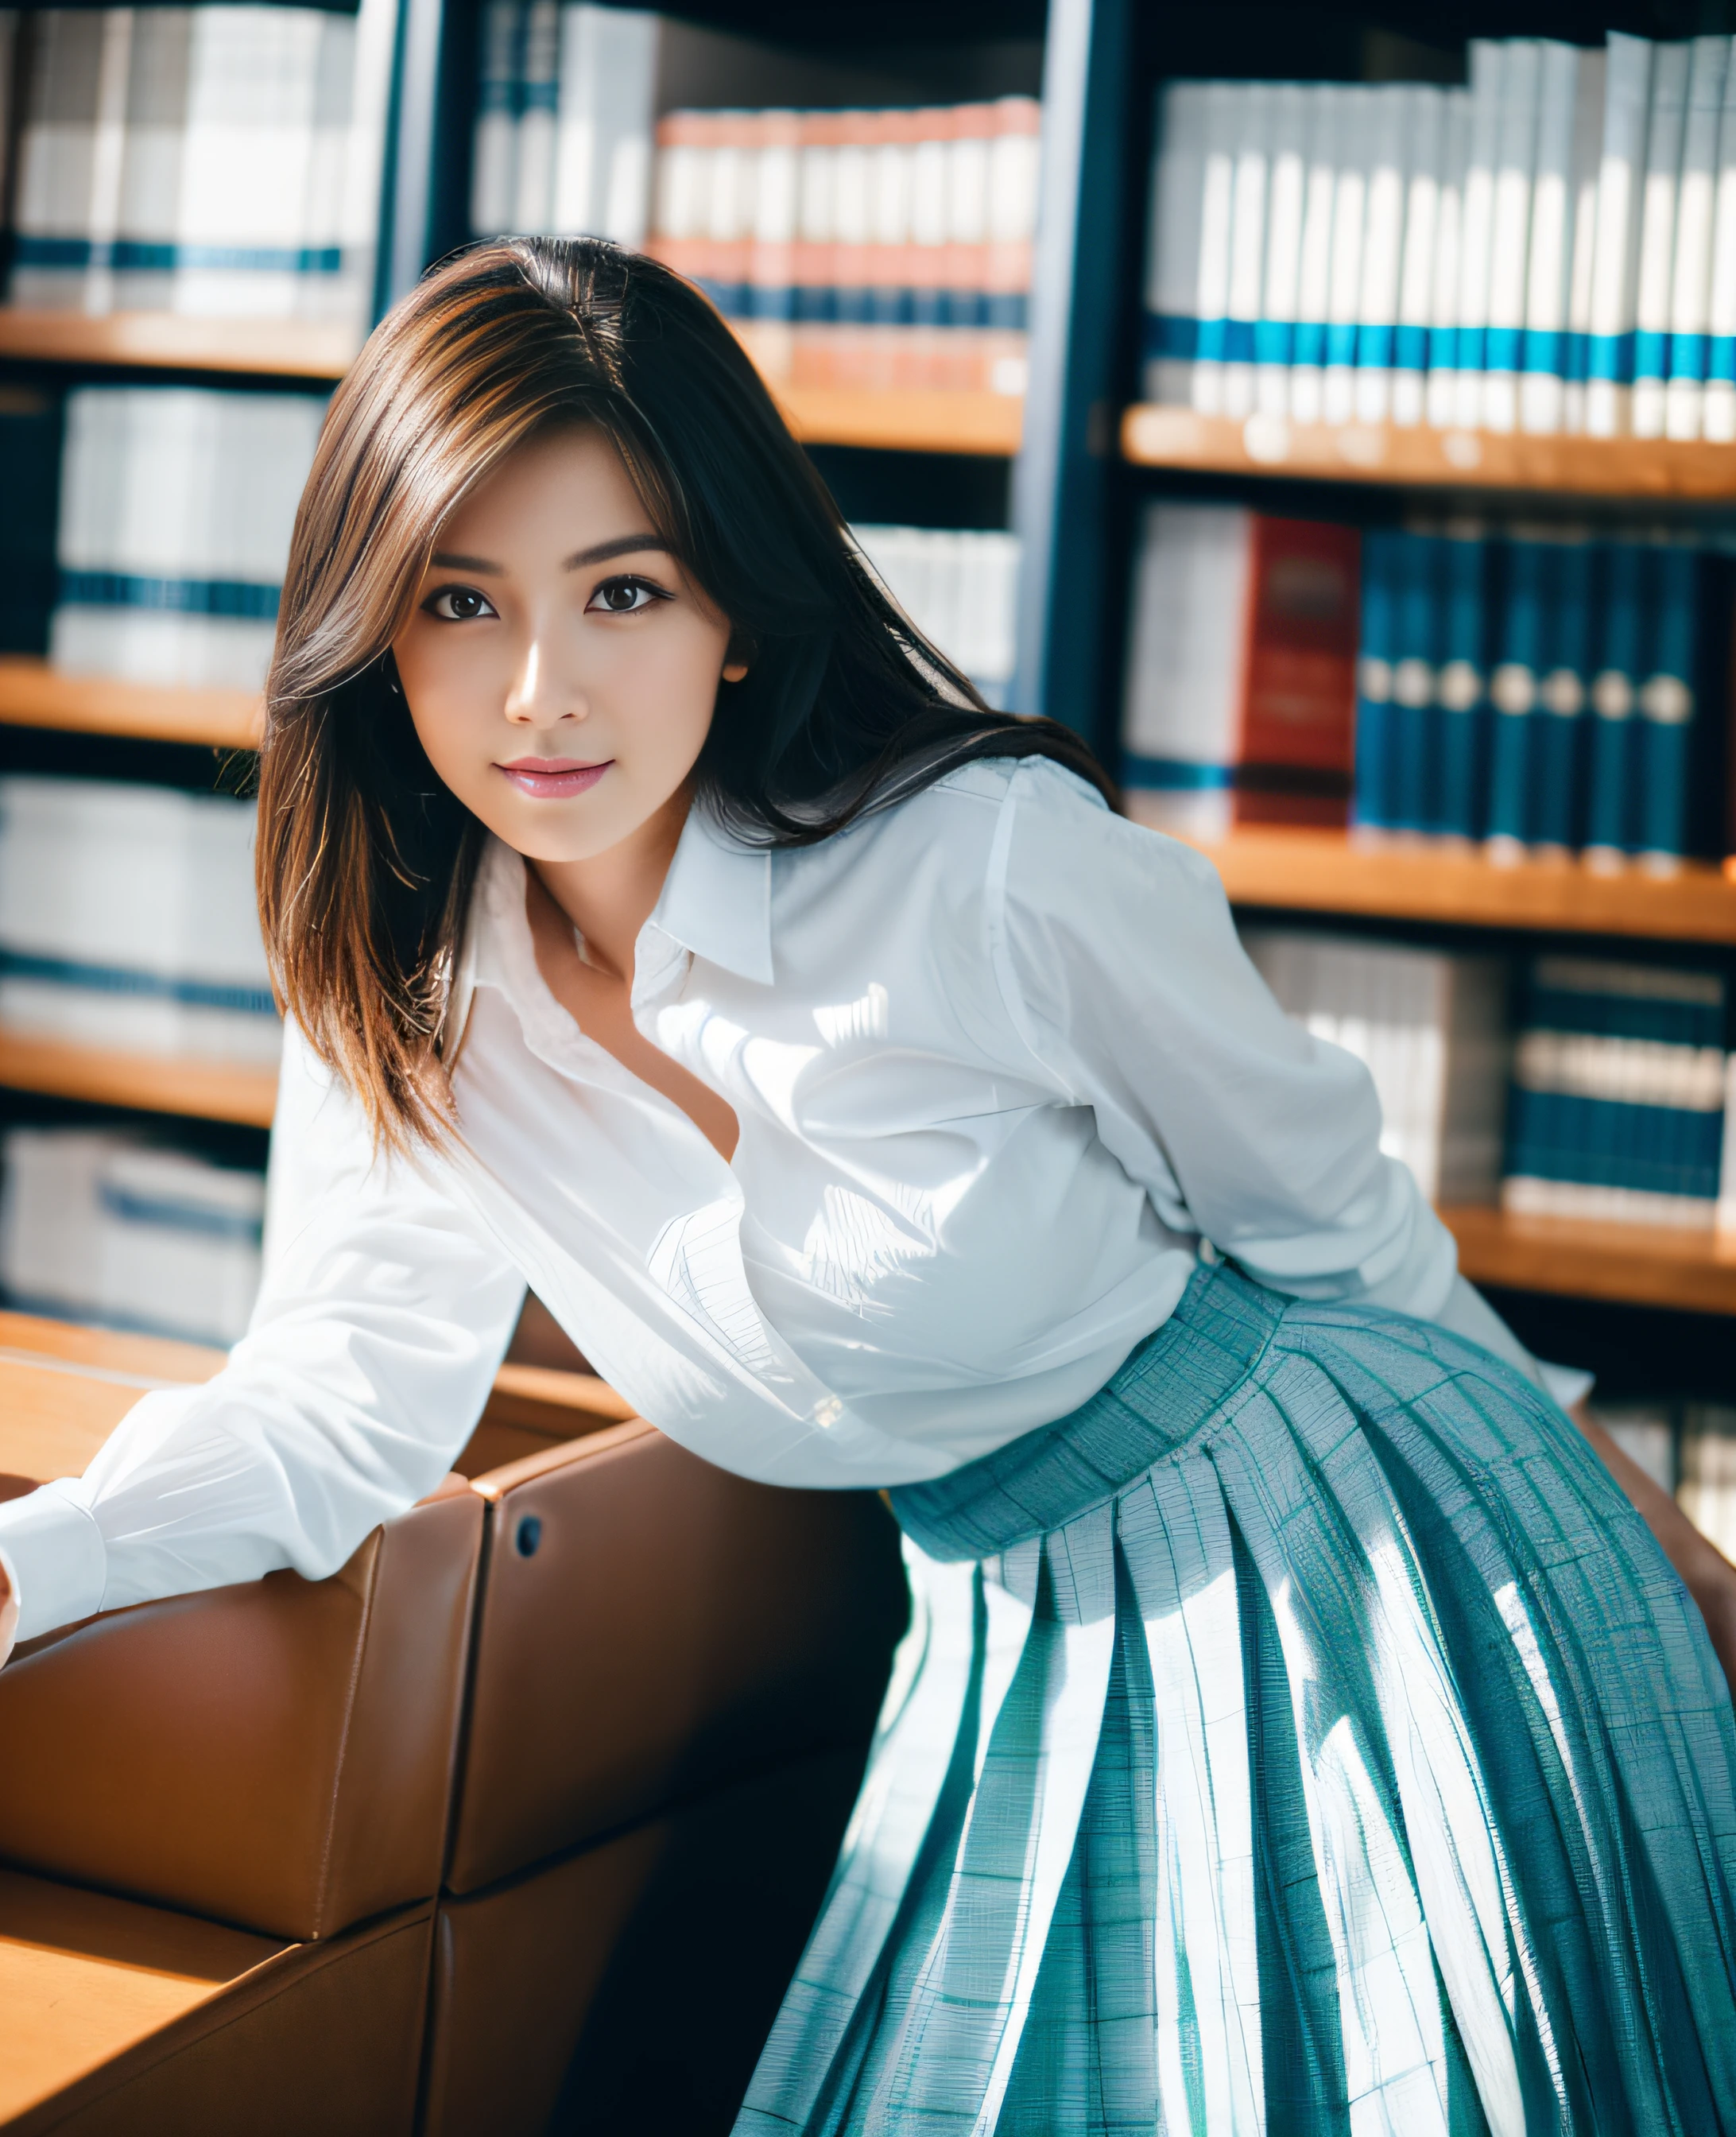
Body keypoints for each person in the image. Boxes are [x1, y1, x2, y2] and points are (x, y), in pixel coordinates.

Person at [2, 238, 1734, 2135]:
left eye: (624, 594)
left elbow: (1349, 1241)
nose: (540, 694)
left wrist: (1672, 1568)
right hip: (1004, 1626)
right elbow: (334, 1406)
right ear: (371, 627)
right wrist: (37, 1563)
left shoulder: (987, 870)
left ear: (736, 612)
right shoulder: (398, 995)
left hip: (1363, 1559)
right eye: (461, 602)